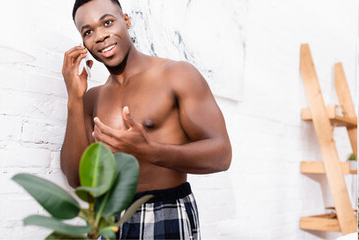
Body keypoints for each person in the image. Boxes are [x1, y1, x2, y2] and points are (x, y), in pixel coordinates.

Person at [61, 0, 232, 238]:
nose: (99, 36)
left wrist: (151, 150)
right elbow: (77, 179)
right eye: (88, 32)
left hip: (166, 211)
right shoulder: (92, 98)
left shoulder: (177, 74)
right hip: (108, 217)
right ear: (84, 43)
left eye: (107, 22)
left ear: (127, 21)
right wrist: (74, 99)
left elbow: (222, 155)